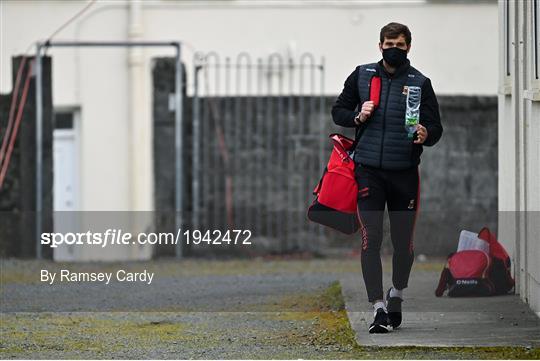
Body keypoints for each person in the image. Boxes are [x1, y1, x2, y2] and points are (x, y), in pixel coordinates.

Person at [331, 22, 443, 333]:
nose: (395, 48)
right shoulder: (362, 75)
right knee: (371, 239)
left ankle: (397, 293)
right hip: (367, 171)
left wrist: (425, 133)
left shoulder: (420, 82)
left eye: (401, 44)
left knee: (404, 244)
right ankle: (378, 307)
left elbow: (436, 128)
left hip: (404, 174)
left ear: (409, 47)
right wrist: (357, 115)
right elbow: (338, 111)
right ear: (379, 45)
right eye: (389, 43)